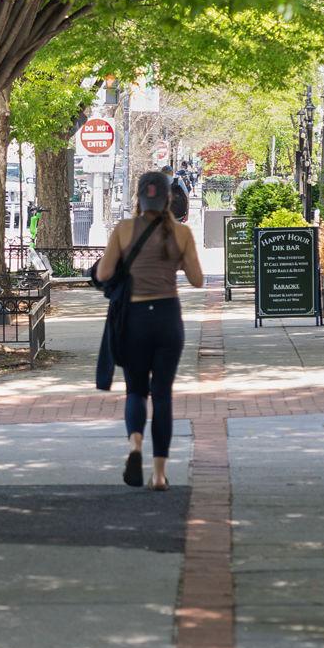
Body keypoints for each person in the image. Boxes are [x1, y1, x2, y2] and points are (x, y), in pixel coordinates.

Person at [95, 171, 204, 491]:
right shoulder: (182, 233)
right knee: (163, 395)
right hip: (168, 318)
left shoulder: (124, 230)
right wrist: (177, 261)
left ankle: (135, 447)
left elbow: (103, 273)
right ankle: (159, 474)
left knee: (136, 390)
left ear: (139, 199)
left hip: (135, 319)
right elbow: (198, 280)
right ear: (169, 199)